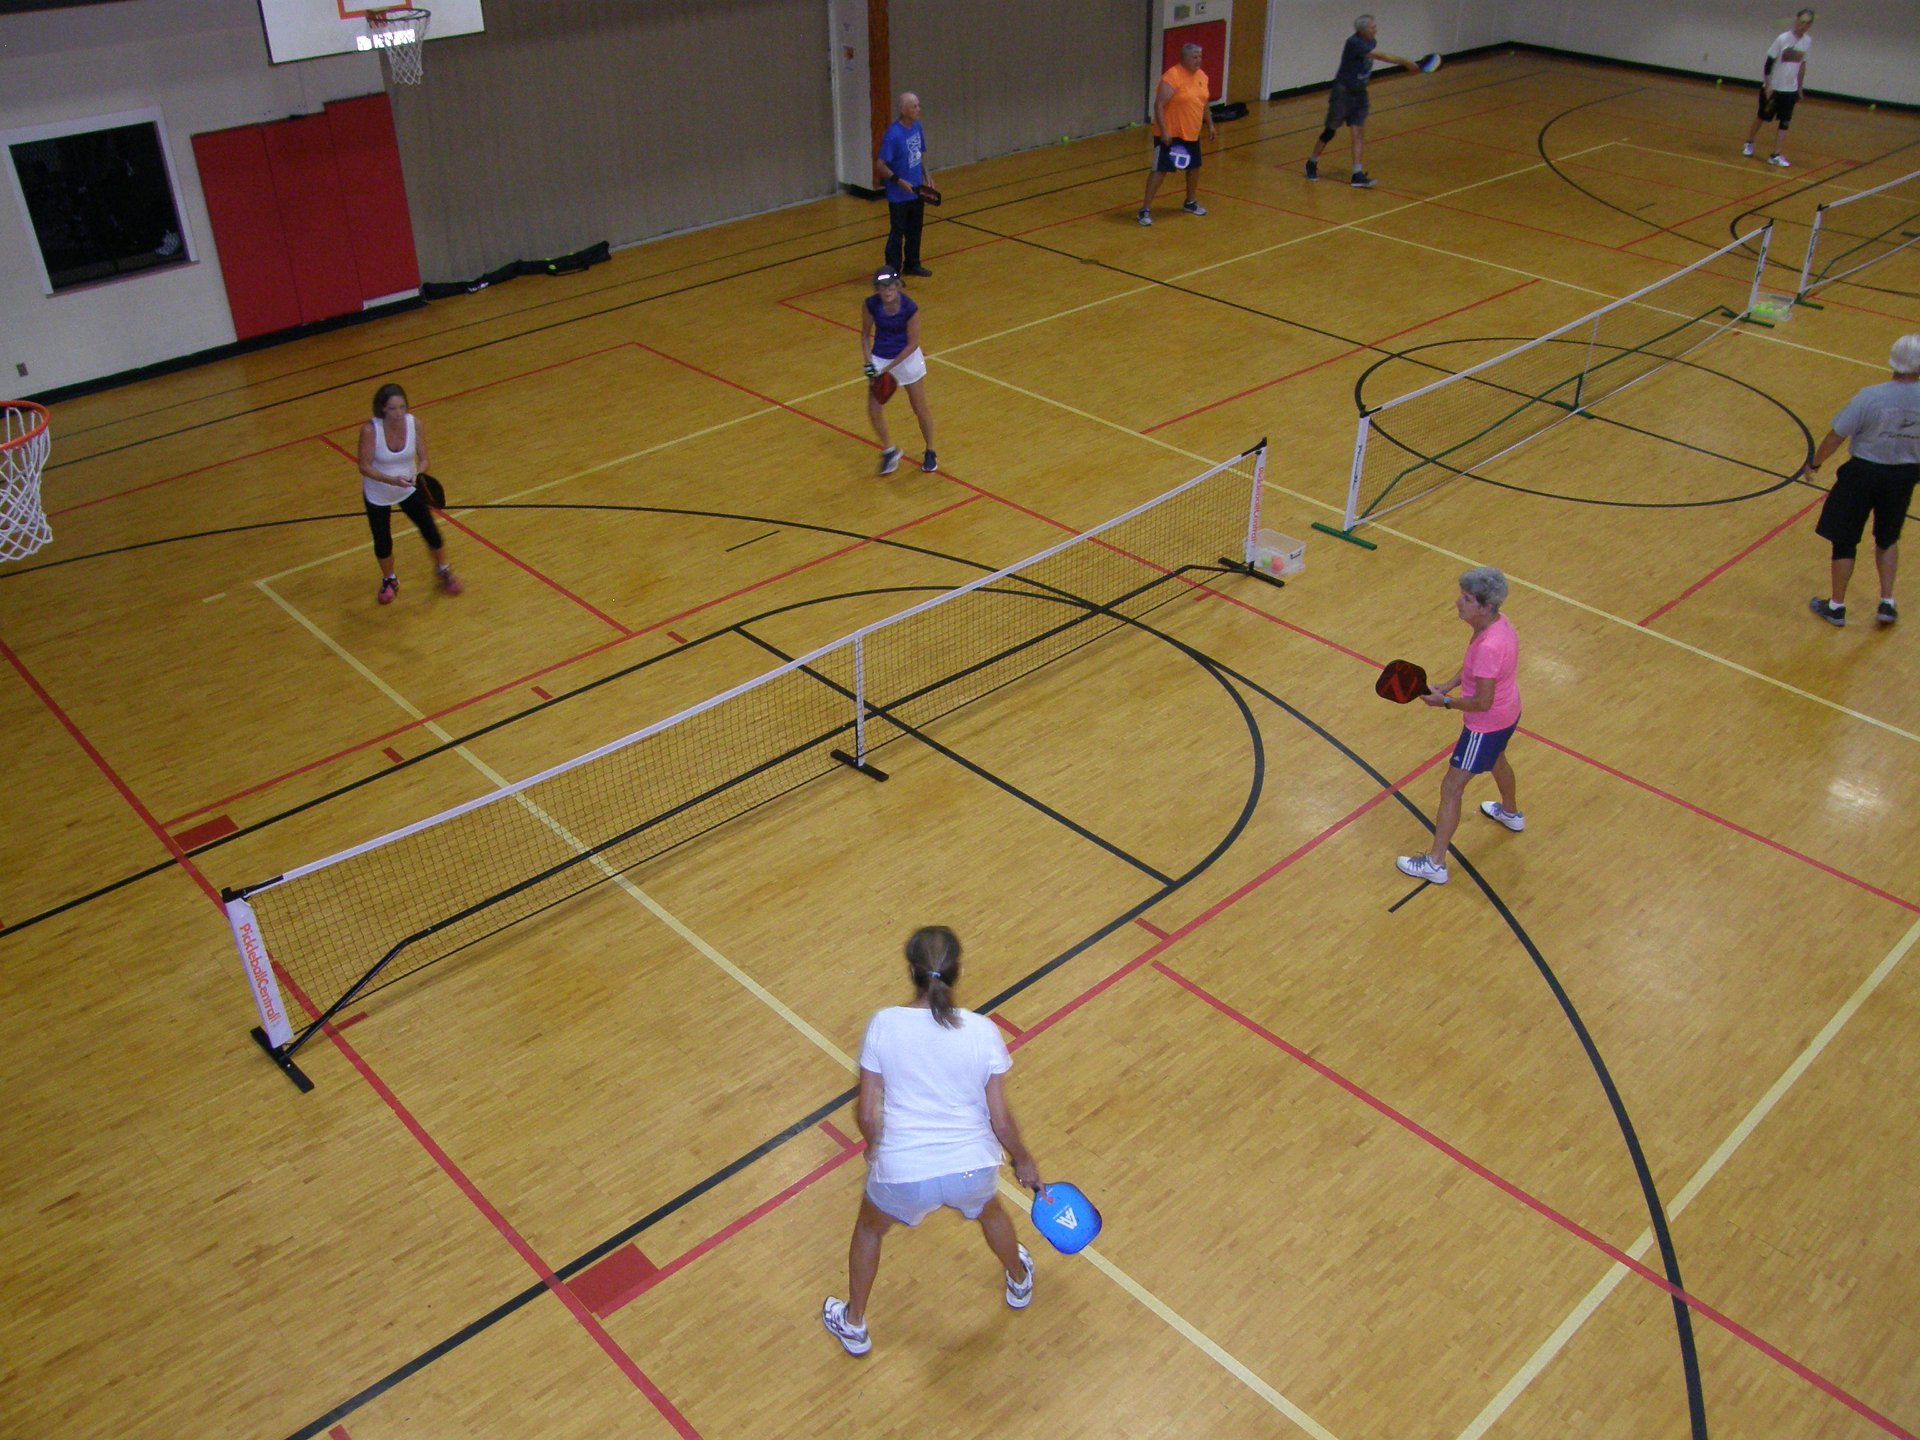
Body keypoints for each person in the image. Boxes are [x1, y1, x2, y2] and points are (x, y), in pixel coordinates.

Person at [822, 926, 1042, 1358]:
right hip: (971, 1169)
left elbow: (867, 1113)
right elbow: (1000, 1118)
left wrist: (875, 1147)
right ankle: (1018, 1278)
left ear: (911, 971)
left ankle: (854, 1324)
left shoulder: (884, 1024)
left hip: (904, 1172)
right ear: (958, 972)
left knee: (870, 1229)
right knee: (991, 1211)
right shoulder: (983, 1031)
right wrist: (1025, 1161)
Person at [1396, 568, 1523, 885]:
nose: (1458, 603)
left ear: (1484, 606)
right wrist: (1449, 686)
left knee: (1451, 787)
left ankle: (1435, 863)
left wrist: (1446, 703)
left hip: (1485, 726)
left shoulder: (1489, 646)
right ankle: (1510, 814)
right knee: (1497, 760)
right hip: (1509, 713)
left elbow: (1482, 701)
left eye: (1466, 599)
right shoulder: (1496, 625)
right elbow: (1475, 671)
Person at [1803, 334, 1920, 628]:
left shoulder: (1870, 397)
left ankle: (1837, 606)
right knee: (1888, 537)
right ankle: (1887, 602)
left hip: (1863, 474)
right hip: (1903, 476)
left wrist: (1815, 462)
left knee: (1845, 540)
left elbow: (1837, 435)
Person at [356, 384, 461, 605]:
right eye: (393, 408)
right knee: (382, 540)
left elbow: (424, 460)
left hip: (408, 489)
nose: (399, 413)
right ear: (382, 409)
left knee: (430, 530)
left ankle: (443, 570)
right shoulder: (370, 430)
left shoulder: (415, 424)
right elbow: (364, 466)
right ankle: (389, 580)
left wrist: (418, 473)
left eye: (402, 407)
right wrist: (391, 480)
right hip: (378, 492)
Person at [1306, 14, 1418, 188]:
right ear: (1362, 30)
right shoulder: (1354, 43)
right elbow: (1381, 56)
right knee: (1331, 130)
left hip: (1359, 93)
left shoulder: (1371, 41)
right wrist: (1406, 62)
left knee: (1358, 133)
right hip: (1343, 92)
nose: (1376, 29)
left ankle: (1357, 174)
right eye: (1372, 27)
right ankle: (1312, 162)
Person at [860, 270, 936, 475]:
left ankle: (930, 450)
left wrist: (887, 370)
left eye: (891, 286)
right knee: (874, 409)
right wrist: (869, 364)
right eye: (883, 287)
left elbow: (912, 344)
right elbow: (866, 336)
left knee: (919, 408)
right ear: (878, 289)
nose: (887, 291)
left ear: (898, 287)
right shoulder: (870, 305)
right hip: (881, 358)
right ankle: (889, 450)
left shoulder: (910, 308)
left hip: (907, 360)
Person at [1139, 42, 1218, 226]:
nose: (1198, 60)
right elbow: (1159, 105)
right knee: (1160, 170)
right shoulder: (1172, 77)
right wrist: (1164, 130)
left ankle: (1190, 202)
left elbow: (1204, 103)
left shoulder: (1202, 77)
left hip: (1191, 132)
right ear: (1184, 58)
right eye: (1194, 57)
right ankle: (1144, 210)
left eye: (1200, 57)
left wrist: (1210, 125)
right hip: (1170, 134)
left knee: (1194, 167)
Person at [1744, 10, 1814, 168]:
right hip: (1774, 88)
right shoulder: (1782, 39)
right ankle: (1749, 142)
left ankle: (1775, 154)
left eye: (1807, 23)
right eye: (1801, 21)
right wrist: (1767, 85)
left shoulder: (1807, 42)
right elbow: (1768, 63)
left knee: (1785, 122)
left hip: (1790, 90)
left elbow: (1802, 65)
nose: (1803, 25)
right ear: (1796, 21)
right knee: (1762, 116)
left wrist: (1800, 87)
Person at [877, 92, 935, 278]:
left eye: (918, 105)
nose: (918, 109)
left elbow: (919, 154)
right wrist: (898, 181)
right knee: (897, 232)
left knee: (915, 229)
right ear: (903, 111)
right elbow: (880, 165)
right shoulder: (893, 135)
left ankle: (912, 263)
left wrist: (927, 174)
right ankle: (892, 269)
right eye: (914, 106)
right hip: (899, 196)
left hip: (916, 191)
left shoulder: (917, 127)